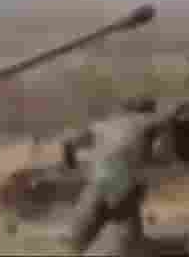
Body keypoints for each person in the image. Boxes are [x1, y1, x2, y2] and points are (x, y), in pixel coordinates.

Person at [64, 96, 163, 256]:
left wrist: (71, 162)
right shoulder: (150, 120)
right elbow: (162, 151)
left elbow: (69, 142)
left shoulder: (103, 124)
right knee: (127, 235)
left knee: (78, 237)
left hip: (99, 179)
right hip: (125, 181)